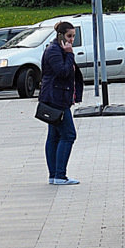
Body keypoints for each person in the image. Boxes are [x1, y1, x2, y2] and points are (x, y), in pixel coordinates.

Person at [39, 21, 84, 186]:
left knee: (55, 136)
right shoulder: (55, 51)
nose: (72, 40)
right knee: (69, 135)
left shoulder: (58, 50)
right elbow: (63, 72)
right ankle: (59, 175)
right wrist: (70, 54)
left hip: (57, 97)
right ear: (60, 36)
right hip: (56, 99)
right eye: (69, 36)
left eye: (73, 36)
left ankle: (54, 175)